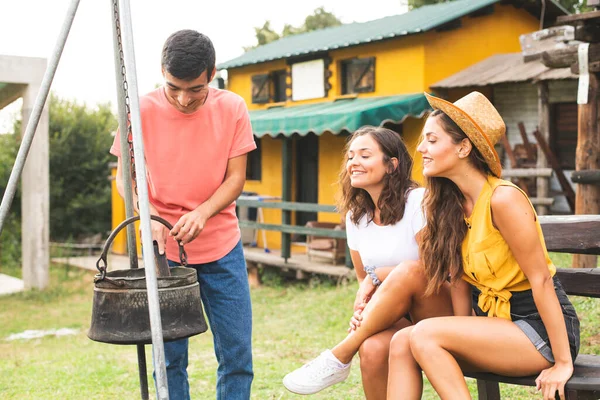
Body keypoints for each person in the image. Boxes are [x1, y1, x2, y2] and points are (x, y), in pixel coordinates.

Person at [386, 91, 580, 400]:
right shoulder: (449, 206)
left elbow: (541, 279)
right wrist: (462, 331)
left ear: (463, 147)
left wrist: (562, 362)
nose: (420, 148)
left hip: (538, 330)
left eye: (432, 140)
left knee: (424, 333)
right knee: (402, 342)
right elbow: (460, 281)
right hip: (496, 326)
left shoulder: (503, 199)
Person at [111, 30, 255, 400]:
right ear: (162, 71)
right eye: (174, 87)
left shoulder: (233, 107)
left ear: (212, 73)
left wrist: (203, 213)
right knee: (170, 357)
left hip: (223, 246)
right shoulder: (139, 110)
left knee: (237, 354)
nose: (183, 99)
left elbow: (236, 178)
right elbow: (125, 179)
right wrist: (151, 214)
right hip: (164, 252)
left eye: (195, 89)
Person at [282, 126, 454, 396]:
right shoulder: (356, 217)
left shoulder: (418, 202)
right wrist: (365, 313)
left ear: (391, 165)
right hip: (395, 314)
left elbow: (433, 270)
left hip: (437, 306)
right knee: (372, 348)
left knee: (410, 270)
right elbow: (363, 279)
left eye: (364, 155)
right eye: (350, 157)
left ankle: (341, 353)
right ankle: (354, 344)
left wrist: (378, 276)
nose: (353, 163)